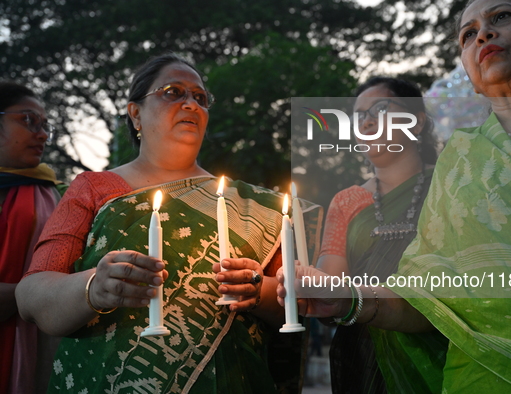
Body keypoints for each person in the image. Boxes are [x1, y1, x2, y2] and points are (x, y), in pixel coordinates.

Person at [278, 0, 511, 392]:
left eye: (502, 17)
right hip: (477, 377)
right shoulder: (461, 164)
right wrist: (343, 299)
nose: (483, 34)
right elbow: (426, 298)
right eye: (467, 34)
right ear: (470, 72)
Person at [16, 53, 321, 393]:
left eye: (200, 98)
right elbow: (31, 295)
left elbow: (297, 304)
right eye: (173, 92)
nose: (191, 103)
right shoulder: (93, 188)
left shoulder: (251, 205)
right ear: (135, 113)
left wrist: (255, 289)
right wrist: (94, 287)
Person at [316, 77, 443, 393]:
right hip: (363, 356)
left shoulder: (451, 184)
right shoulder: (346, 202)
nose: (368, 120)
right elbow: (328, 292)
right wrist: (308, 288)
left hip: (440, 348)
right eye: (359, 116)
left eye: (381, 108)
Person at [0, 82, 63, 393]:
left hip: (41, 347)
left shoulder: (54, 193)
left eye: (44, 125)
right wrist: (37, 292)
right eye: (27, 120)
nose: (42, 134)